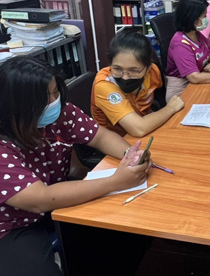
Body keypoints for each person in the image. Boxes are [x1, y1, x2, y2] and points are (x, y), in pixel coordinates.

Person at [0, 56, 151, 275]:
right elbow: (40, 199)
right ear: (17, 105)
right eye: (45, 97)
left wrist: (130, 156)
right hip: (14, 224)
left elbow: (99, 136)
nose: (54, 102)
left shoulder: (60, 113)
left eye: (56, 92)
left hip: (56, 200)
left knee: (123, 235)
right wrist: (115, 181)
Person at [91, 29, 185, 137]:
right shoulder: (104, 85)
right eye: (117, 68)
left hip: (148, 127)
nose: (125, 77)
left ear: (148, 68)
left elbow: (159, 97)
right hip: (118, 139)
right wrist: (170, 108)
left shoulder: (153, 72)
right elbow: (138, 129)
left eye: (134, 71)